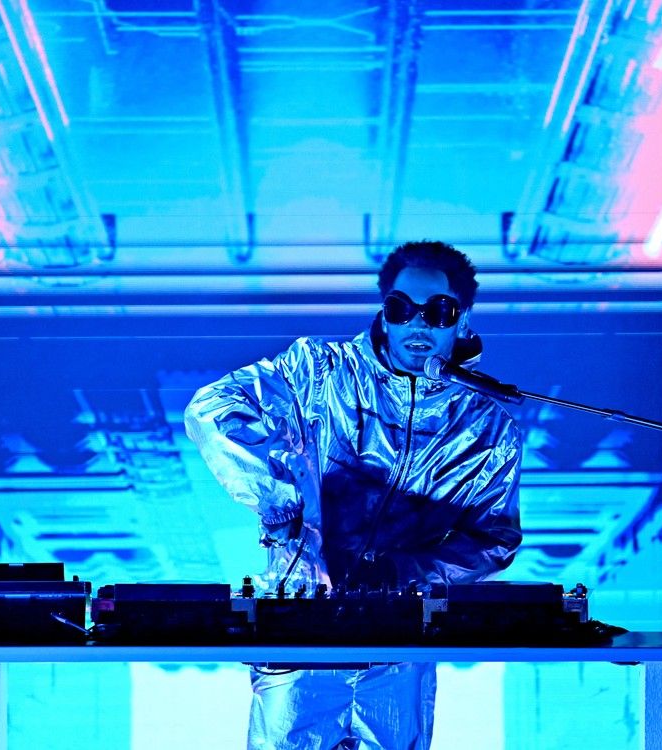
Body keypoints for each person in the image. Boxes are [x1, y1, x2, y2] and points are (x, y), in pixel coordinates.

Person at [184, 240, 523, 750]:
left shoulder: (486, 426)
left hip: (399, 647)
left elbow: (494, 537)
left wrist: (405, 573)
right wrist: (282, 499)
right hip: (301, 638)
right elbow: (212, 409)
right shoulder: (319, 371)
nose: (418, 325)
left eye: (438, 311)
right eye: (401, 308)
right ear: (384, 311)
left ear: (463, 318)